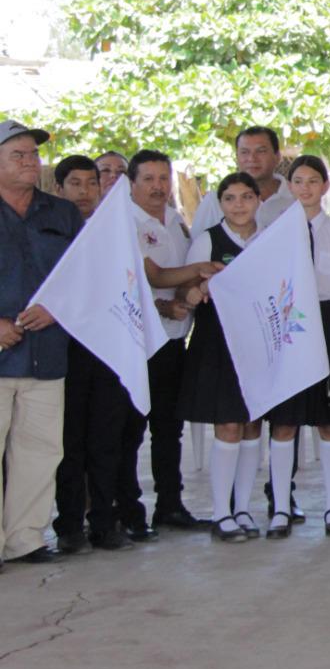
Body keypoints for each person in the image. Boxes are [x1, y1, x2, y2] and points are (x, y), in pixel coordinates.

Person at [257, 156, 330, 539]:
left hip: (328, 325)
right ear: (289, 186)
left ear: (325, 186)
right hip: (288, 326)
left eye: (313, 181)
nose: (305, 188)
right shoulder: (274, 232)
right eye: (297, 181)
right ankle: (281, 507)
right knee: (285, 422)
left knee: (329, 420)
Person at [0, 120, 83, 567]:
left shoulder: (62, 212)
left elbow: (81, 275)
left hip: (46, 354)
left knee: (41, 450)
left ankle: (26, 539)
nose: (31, 162)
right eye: (19, 155)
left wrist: (57, 308)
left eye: (33, 155)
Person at [172, 172, 267, 542]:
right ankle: (221, 513)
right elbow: (184, 287)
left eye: (246, 197)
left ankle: (243, 508)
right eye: (230, 198)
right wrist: (196, 290)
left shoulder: (270, 240)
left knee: (252, 425)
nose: (239, 205)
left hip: (259, 342)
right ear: (220, 203)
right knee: (227, 424)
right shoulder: (207, 241)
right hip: (218, 343)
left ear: (258, 199)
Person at [49, 157, 135, 554]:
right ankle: (69, 526)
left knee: (107, 442)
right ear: (60, 188)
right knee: (70, 445)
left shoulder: (115, 233)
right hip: (64, 351)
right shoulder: (50, 230)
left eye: (91, 183)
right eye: (75, 183)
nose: (84, 191)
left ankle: (104, 521)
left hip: (109, 350)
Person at [128, 149, 205, 532]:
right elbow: (153, 275)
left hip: (174, 340)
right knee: (128, 431)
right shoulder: (127, 222)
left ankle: (170, 506)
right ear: (132, 183)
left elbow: (176, 279)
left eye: (163, 178)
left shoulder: (176, 220)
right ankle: (127, 511)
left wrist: (185, 291)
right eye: (149, 179)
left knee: (169, 428)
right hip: (137, 344)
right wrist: (201, 269)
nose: (158, 186)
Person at [192, 126, 296, 232]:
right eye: (244, 152)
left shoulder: (297, 197)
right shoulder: (215, 201)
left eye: (261, 151)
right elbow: (198, 243)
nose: (252, 159)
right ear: (237, 157)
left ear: (277, 156)